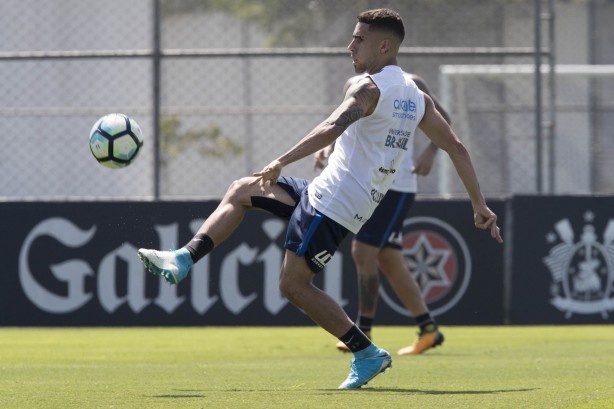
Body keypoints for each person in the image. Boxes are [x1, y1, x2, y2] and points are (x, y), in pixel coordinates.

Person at [138, 8, 502, 390]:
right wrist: (478, 204)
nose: (351, 45)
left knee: (293, 285)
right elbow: (457, 148)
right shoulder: (416, 96)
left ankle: (366, 352)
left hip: (335, 203)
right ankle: (182, 259)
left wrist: (281, 160)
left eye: (359, 39)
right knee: (242, 189)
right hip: (332, 192)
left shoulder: (369, 89)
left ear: (384, 45)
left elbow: (332, 126)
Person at [313, 75, 452, 355]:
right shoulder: (353, 83)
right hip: (365, 183)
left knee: (363, 252)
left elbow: (444, 117)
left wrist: (430, 151)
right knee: (388, 258)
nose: (355, 48)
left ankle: (363, 331)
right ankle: (428, 329)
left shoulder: (411, 84)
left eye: (361, 41)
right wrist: (327, 148)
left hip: (396, 185)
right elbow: (344, 125)